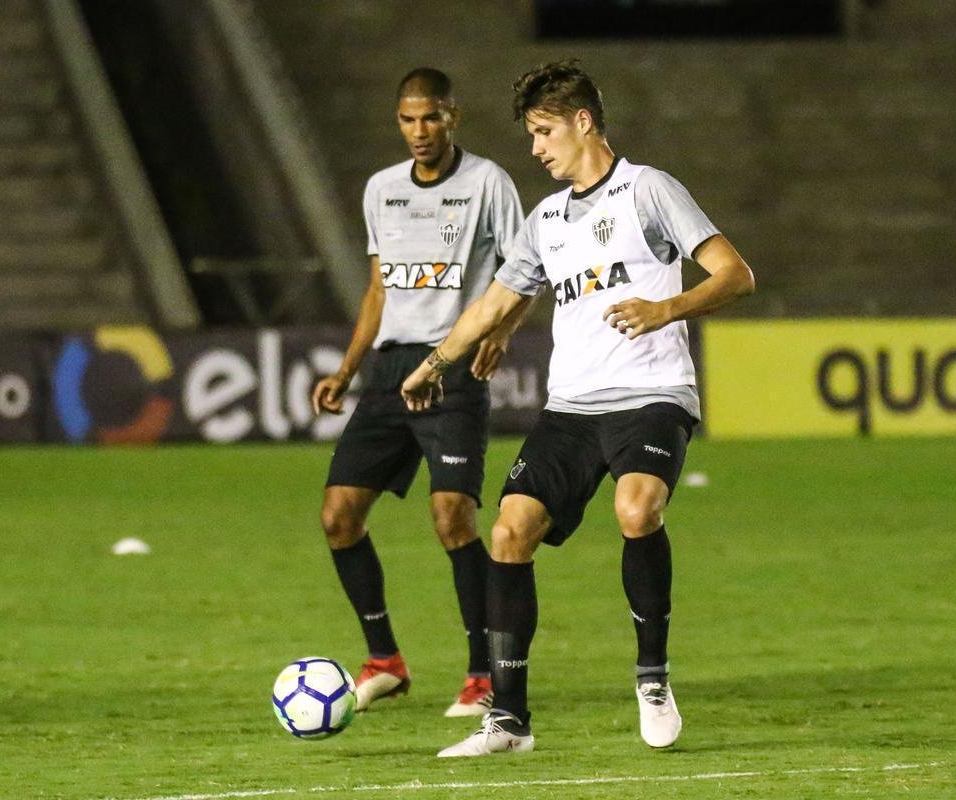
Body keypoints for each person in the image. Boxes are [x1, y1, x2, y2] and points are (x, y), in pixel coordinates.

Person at [401, 60, 756, 757]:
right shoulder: (547, 220)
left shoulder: (648, 190)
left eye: (544, 132)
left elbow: (735, 274)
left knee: (637, 509)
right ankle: (509, 721)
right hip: (571, 409)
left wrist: (667, 307)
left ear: (583, 122)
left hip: (652, 396)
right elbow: (496, 303)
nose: (536, 149)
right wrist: (434, 363)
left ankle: (652, 680)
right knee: (508, 532)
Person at [312, 67, 528, 717]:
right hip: (387, 371)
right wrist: (346, 371)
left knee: (452, 518)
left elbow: (528, 266)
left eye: (430, 117)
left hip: (453, 366)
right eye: (407, 119)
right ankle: (385, 660)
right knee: (337, 516)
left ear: (452, 117)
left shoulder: (487, 183)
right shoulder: (381, 190)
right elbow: (380, 290)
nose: (418, 131)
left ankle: (483, 674)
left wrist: (505, 331)